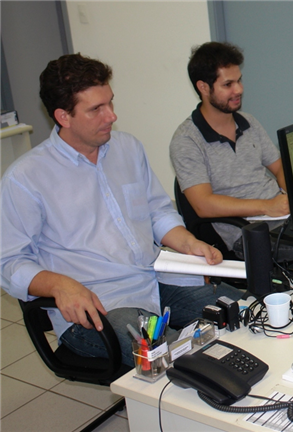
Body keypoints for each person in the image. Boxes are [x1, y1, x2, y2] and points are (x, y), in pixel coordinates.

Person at [0, 54, 243, 368]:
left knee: (243, 310)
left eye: (110, 103)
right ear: (63, 116)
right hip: (98, 306)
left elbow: (157, 212)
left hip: (153, 282)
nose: (111, 116)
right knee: (178, 359)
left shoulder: (127, 148)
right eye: (96, 109)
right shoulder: (26, 178)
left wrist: (187, 243)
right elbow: (9, 263)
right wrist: (60, 285)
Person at [170, 41, 293, 261]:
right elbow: (203, 205)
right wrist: (266, 207)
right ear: (203, 87)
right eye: (228, 84)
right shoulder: (186, 141)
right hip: (245, 233)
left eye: (239, 80)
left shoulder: (247, 122)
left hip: (281, 216)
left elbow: (279, 168)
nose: (238, 89)